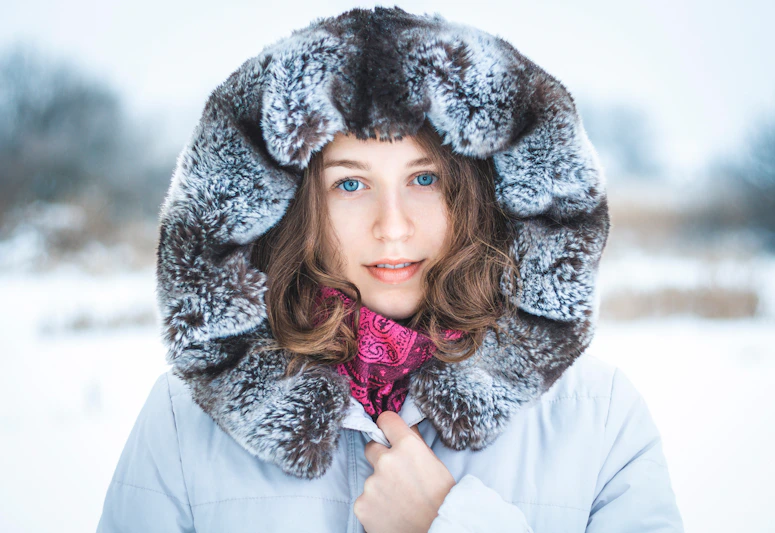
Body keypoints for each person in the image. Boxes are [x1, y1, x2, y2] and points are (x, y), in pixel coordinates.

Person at [97, 6, 684, 532]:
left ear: (478, 194)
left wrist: (447, 523)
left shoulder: (595, 413)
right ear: (296, 207)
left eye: (424, 179)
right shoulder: (185, 422)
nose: (393, 226)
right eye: (350, 184)